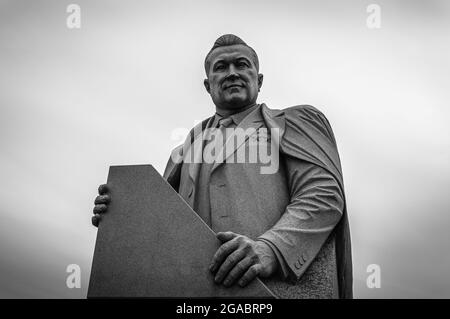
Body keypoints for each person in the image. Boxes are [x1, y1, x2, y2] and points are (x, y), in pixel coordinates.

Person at [92, 34, 353, 298]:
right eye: (221, 67)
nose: (232, 73)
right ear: (208, 85)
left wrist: (272, 248)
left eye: (241, 64)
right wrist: (121, 213)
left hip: (266, 291)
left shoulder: (292, 122)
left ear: (259, 80)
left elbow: (323, 194)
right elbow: (160, 222)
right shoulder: (185, 149)